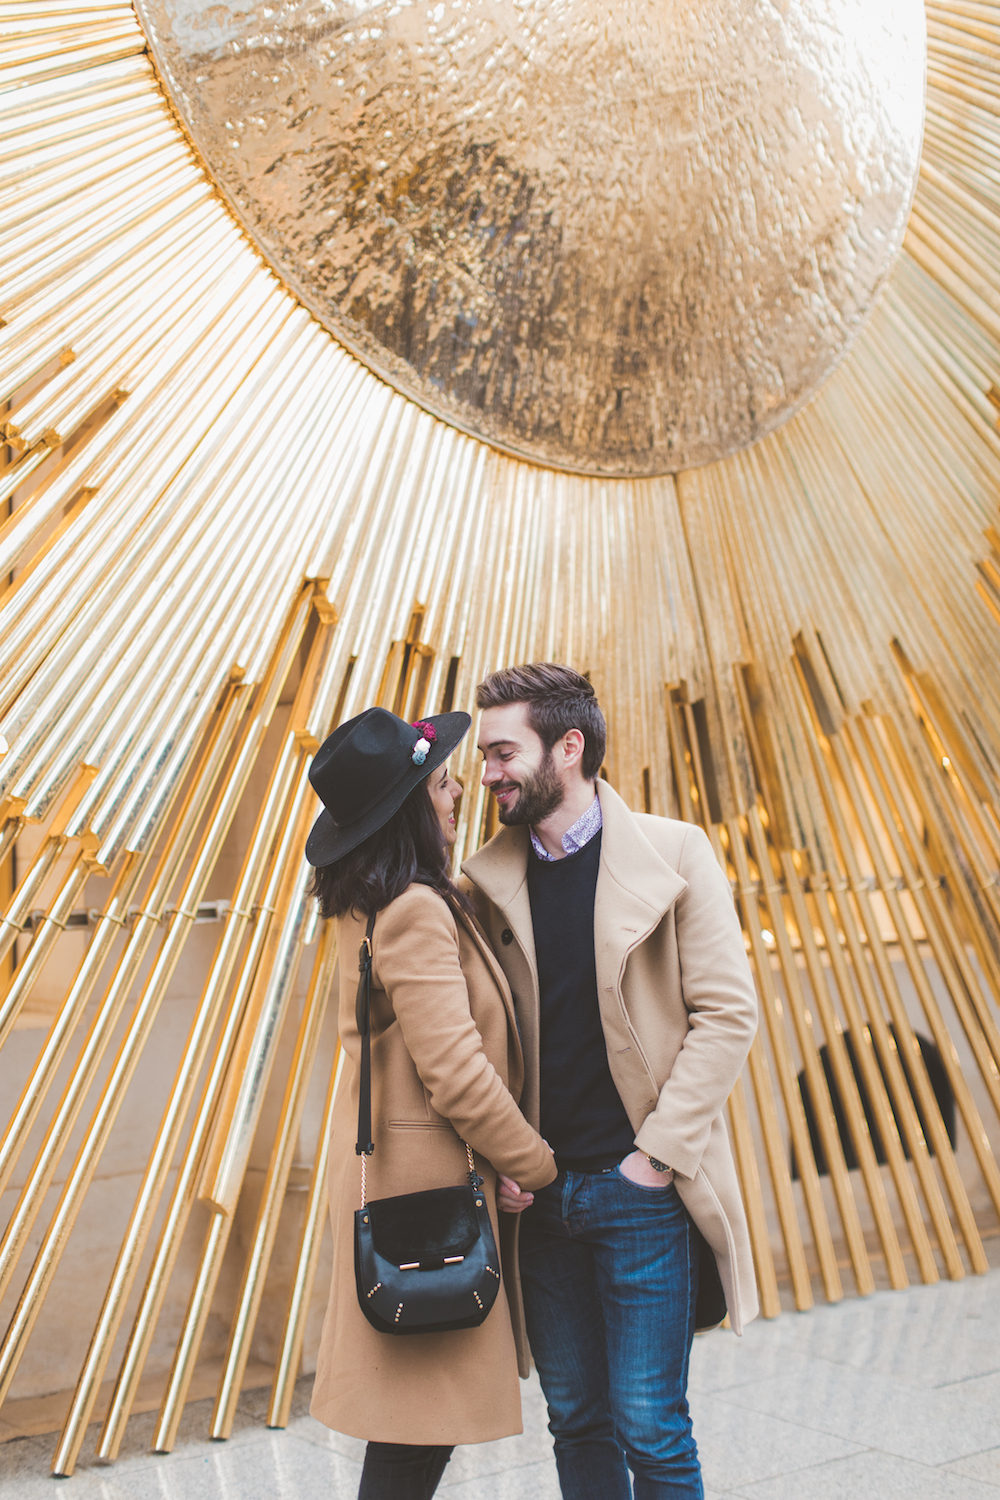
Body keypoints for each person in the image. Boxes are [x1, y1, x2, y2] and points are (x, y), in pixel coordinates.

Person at [461, 663, 759, 1500]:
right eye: (484, 757)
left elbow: (728, 1015)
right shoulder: (485, 885)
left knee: (650, 1425)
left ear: (570, 746)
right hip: (539, 1197)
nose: (488, 773)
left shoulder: (674, 851)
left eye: (502, 752)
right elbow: (480, 1043)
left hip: (641, 1191)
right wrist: (506, 1158)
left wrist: (655, 1158)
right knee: (576, 1418)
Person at [305, 706, 557, 1500]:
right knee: (415, 1439)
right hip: (426, 1202)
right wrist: (535, 1162)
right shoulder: (413, 910)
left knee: (413, 1434)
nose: (456, 797)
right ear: (414, 806)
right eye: (444, 784)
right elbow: (455, 1072)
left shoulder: (370, 901)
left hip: (405, 1184)